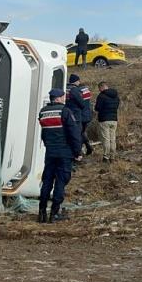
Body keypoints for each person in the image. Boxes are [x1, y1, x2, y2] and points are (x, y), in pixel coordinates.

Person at [38, 88, 83, 223]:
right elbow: (74, 134)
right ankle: (54, 213)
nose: (65, 99)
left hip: (50, 153)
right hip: (64, 153)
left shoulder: (43, 112)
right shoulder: (65, 111)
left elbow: (44, 134)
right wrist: (77, 152)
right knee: (60, 182)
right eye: (63, 97)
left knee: (47, 182)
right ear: (57, 98)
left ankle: (41, 213)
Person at [66, 74, 93, 156]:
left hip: (77, 115)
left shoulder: (70, 90)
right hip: (83, 115)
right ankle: (84, 149)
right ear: (76, 81)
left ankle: (79, 152)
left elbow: (81, 103)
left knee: (78, 134)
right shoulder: (81, 90)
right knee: (80, 133)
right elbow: (84, 103)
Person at [94, 82, 120, 162]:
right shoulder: (116, 95)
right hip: (114, 119)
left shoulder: (101, 96)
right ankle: (113, 156)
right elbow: (117, 106)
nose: (99, 90)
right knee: (113, 138)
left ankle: (106, 157)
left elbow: (97, 108)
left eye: (99, 88)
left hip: (104, 119)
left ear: (102, 87)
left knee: (106, 139)